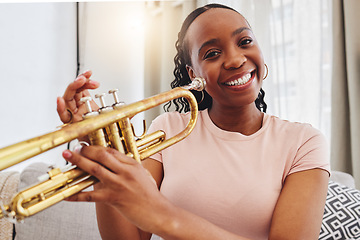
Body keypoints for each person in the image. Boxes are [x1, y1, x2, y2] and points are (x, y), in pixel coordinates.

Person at [57, 4, 330, 240]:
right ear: (193, 74)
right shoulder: (168, 128)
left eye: (244, 42)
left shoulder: (304, 141)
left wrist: (164, 217)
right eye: (212, 54)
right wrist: (98, 146)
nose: (235, 60)